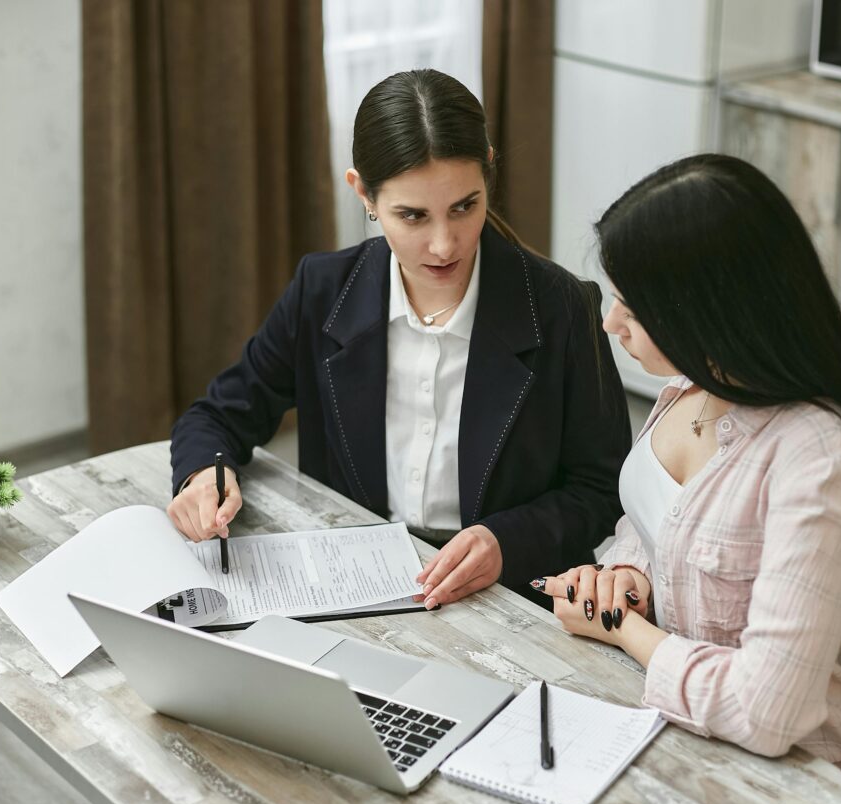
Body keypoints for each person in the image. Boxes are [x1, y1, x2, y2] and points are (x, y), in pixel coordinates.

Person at [534, 154, 841, 804]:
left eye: (633, 303)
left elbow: (769, 714)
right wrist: (630, 578)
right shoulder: (692, 383)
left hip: (812, 778)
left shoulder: (818, 453)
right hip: (691, 725)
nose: (611, 322)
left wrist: (626, 629)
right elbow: (654, 524)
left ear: (706, 307)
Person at [168, 68, 631, 608]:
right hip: (354, 582)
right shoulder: (322, 291)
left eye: (465, 206)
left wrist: (506, 540)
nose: (443, 244)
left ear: (489, 171)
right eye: (412, 216)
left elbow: (602, 490)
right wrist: (203, 474)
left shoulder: (560, 308)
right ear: (363, 192)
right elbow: (219, 414)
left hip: (509, 596)